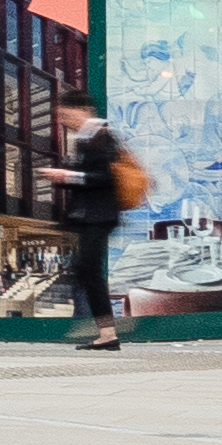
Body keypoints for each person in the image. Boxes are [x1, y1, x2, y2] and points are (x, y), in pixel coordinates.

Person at [53, 105, 143, 350]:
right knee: (86, 272)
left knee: (87, 271)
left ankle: (107, 331)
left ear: (82, 110)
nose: (63, 119)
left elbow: (105, 178)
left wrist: (68, 176)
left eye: (66, 113)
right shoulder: (84, 138)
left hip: (100, 216)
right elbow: (87, 179)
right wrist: (64, 178)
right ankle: (106, 332)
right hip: (89, 217)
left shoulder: (101, 134)